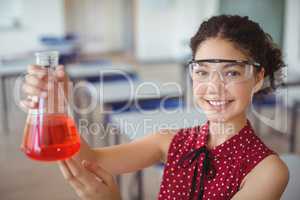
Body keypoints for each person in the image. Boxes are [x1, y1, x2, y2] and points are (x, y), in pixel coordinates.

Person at [21, 15, 289, 200]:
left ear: (257, 78)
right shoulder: (170, 141)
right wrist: (55, 109)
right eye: (203, 72)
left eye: (231, 73)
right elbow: (90, 162)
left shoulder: (267, 171)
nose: (214, 88)